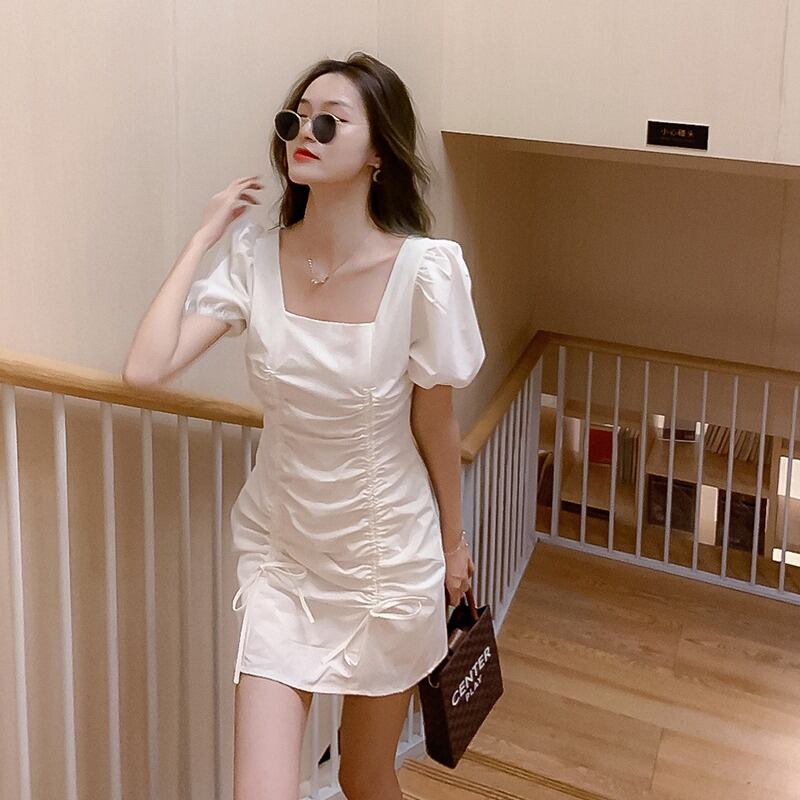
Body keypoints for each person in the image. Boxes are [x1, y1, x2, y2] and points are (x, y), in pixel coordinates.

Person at [122, 51, 485, 800]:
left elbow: (436, 426)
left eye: (329, 122)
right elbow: (145, 369)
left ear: (379, 152)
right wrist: (203, 236)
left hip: (387, 562)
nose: (303, 134)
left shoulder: (423, 273)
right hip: (283, 556)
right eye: (296, 120)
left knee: (363, 776)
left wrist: (454, 546)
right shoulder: (254, 258)